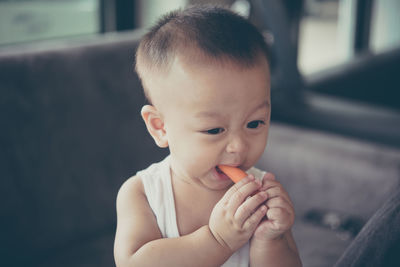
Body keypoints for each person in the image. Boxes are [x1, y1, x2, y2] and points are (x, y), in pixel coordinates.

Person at [114, 5, 302, 267]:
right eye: (214, 130)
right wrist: (217, 240)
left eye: (255, 123)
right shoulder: (143, 193)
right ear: (160, 127)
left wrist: (272, 238)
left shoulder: (260, 194)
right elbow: (133, 263)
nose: (238, 147)